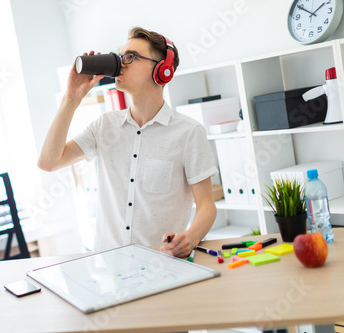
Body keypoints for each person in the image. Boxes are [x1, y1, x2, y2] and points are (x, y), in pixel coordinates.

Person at [38, 27, 218, 258]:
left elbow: (207, 205)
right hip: (109, 267)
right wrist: (71, 98)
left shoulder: (189, 132)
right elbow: (48, 162)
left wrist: (190, 237)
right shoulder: (105, 125)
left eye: (130, 57)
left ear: (162, 70)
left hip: (162, 265)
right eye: (120, 56)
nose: (120, 64)